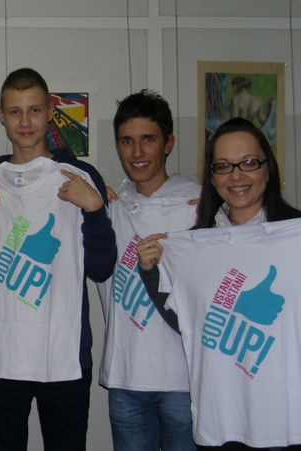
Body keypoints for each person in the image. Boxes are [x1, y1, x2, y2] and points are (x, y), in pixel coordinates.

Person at [0, 68, 116, 451]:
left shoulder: (79, 177)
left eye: (34, 110)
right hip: (2, 353)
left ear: (49, 111)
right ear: (1, 115)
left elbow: (101, 268)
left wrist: (95, 210)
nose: (25, 121)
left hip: (63, 354)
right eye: (15, 112)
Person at [137, 118, 301, 450]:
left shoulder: (295, 237)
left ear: (268, 169)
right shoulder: (194, 247)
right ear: (212, 178)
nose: (236, 176)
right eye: (223, 166)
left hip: (286, 420)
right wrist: (152, 272)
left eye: (249, 163)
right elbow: (189, 323)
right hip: (222, 420)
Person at [98, 90, 198, 451]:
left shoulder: (199, 206)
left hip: (185, 381)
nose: (137, 152)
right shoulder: (111, 209)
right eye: (127, 141)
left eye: (148, 139)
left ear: (168, 143)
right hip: (126, 378)